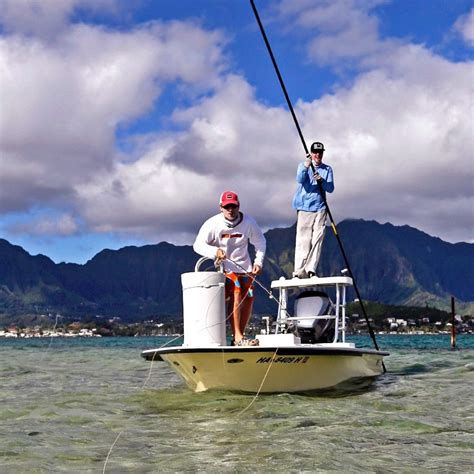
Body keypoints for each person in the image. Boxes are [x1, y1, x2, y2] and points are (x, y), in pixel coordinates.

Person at [193, 191, 266, 346]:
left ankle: (240, 335)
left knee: (250, 295)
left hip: (244, 266)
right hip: (225, 268)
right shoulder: (212, 224)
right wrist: (215, 252)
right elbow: (198, 245)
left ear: (238, 206)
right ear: (220, 207)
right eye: (227, 207)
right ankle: (238, 337)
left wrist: (258, 262)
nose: (230, 210)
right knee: (236, 291)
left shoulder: (249, 222)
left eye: (233, 206)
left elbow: (260, 242)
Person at [292, 141, 334, 278]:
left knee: (318, 238)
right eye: (315, 152)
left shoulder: (327, 169)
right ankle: (298, 271)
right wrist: (306, 165)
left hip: (321, 207)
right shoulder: (303, 165)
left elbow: (330, 188)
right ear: (311, 153)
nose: (318, 155)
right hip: (304, 207)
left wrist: (322, 180)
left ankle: (311, 269)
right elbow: (299, 179)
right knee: (304, 239)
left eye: (320, 152)